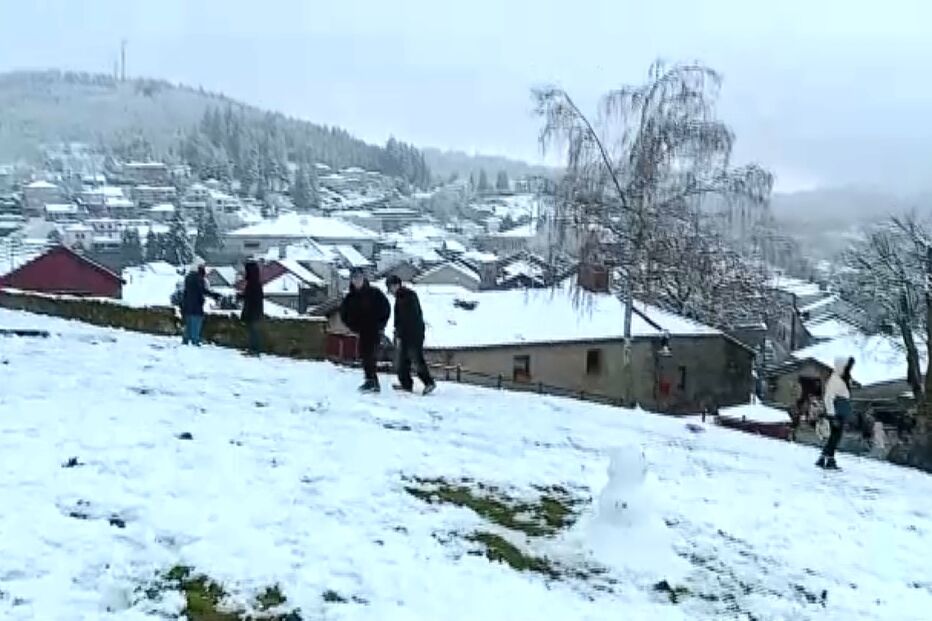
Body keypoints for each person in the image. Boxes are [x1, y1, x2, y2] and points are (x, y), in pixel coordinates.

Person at [340, 268, 390, 392]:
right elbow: (344, 314)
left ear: (364, 279)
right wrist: (353, 326)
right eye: (355, 278)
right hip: (362, 331)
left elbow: (386, 308)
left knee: (370, 355)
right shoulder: (350, 297)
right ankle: (372, 381)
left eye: (360, 278)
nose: (357, 281)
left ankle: (371, 381)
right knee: (365, 355)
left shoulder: (374, 293)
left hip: (374, 329)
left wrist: (380, 325)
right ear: (351, 280)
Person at [386, 275, 436, 395]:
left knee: (416, 359)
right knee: (403, 361)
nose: (390, 291)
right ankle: (406, 384)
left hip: (413, 334)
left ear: (396, 285)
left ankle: (429, 382)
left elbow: (406, 320)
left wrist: (399, 335)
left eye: (391, 287)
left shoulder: (406, 297)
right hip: (407, 334)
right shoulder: (402, 297)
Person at [817, 356, 855, 469]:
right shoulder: (835, 380)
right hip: (836, 412)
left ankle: (825, 458)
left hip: (841, 411)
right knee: (834, 437)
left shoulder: (843, 378)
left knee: (835, 437)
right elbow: (828, 397)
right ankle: (829, 459)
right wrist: (831, 415)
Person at [181, 260, 220, 346]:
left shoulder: (188, 277)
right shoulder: (198, 278)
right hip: (196, 305)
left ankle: (186, 340)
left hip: (187, 304)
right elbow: (202, 290)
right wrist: (214, 295)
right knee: (196, 322)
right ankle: (195, 340)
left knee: (189, 323)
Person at [238, 259, 264, 356]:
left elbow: (250, 297)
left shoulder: (253, 284)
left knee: (254, 332)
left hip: (253, 311)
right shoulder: (255, 282)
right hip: (255, 311)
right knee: (253, 331)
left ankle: (254, 350)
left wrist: (242, 296)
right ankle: (252, 349)